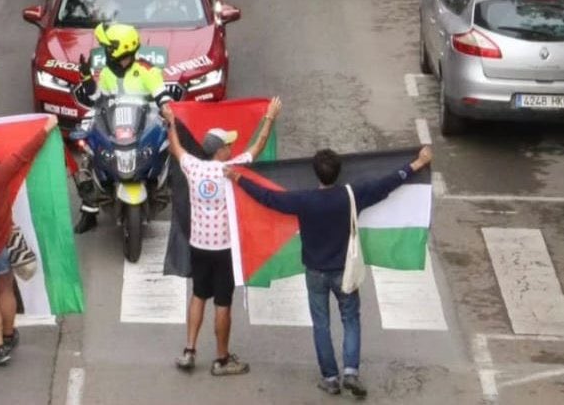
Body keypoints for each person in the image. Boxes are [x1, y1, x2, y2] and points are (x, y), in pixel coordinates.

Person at [226, 145, 434, 398]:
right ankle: (350, 372)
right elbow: (387, 184)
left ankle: (330, 378)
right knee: (351, 320)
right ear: (339, 172)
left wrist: (239, 179)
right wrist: (417, 164)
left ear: (315, 174)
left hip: (315, 272)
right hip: (344, 271)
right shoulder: (352, 195)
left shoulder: (304, 200)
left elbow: (269, 197)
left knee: (321, 324)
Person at [165, 98, 281, 377]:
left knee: (198, 295)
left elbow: (176, 147)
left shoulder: (193, 167)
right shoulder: (232, 169)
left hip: (199, 246)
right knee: (223, 303)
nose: (232, 147)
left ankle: (190, 350)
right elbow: (258, 147)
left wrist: (170, 120)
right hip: (225, 249)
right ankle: (221, 358)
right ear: (219, 151)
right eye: (228, 144)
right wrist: (269, 117)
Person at [72, 23, 179, 234]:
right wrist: (86, 80)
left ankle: (170, 193)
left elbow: (161, 95)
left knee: (171, 150)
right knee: (87, 151)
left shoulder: (147, 71)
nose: (105, 51)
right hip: (114, 124)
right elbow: (96, 100)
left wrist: (168, 110)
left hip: (145, 124)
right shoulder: (106, 74)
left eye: (107, 47)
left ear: (117, 50)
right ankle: (89, 211)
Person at [0, 115, 58, 365]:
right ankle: (9, 335)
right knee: (5, 291)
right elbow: (25, 153)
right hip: (2, 245)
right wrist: (46, 128)